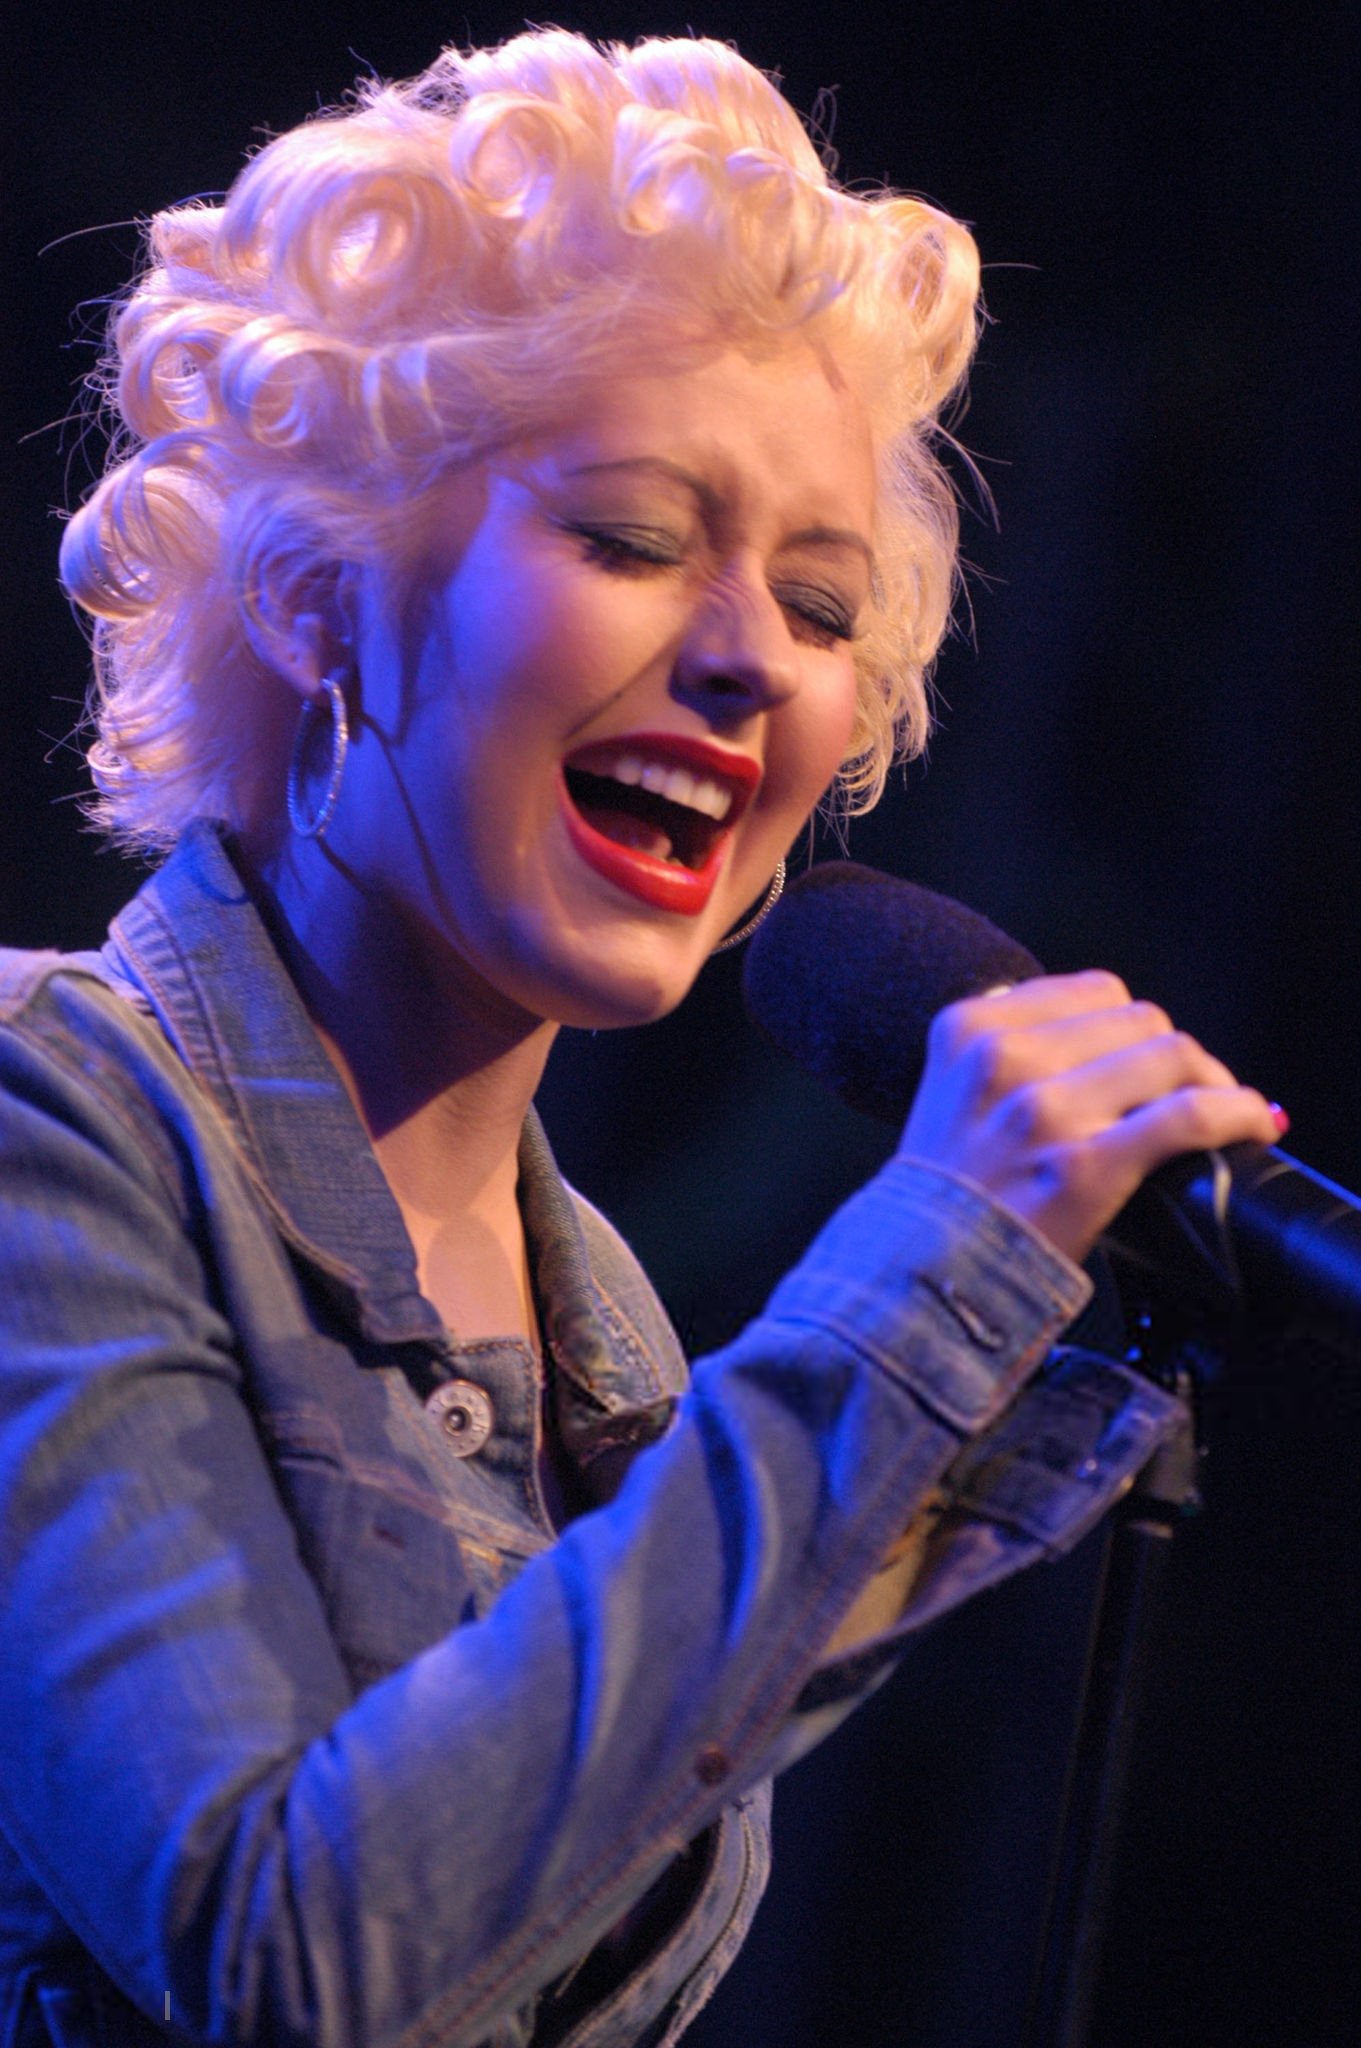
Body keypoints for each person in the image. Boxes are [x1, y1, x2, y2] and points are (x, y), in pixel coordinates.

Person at [0, 30, 1281, 2048]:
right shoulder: (51, 1118)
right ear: (320, 598)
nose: (750, 654)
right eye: (627, 537)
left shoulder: (614, 1347)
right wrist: (926, 1279)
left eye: (821, 604)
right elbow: (279, 1954)